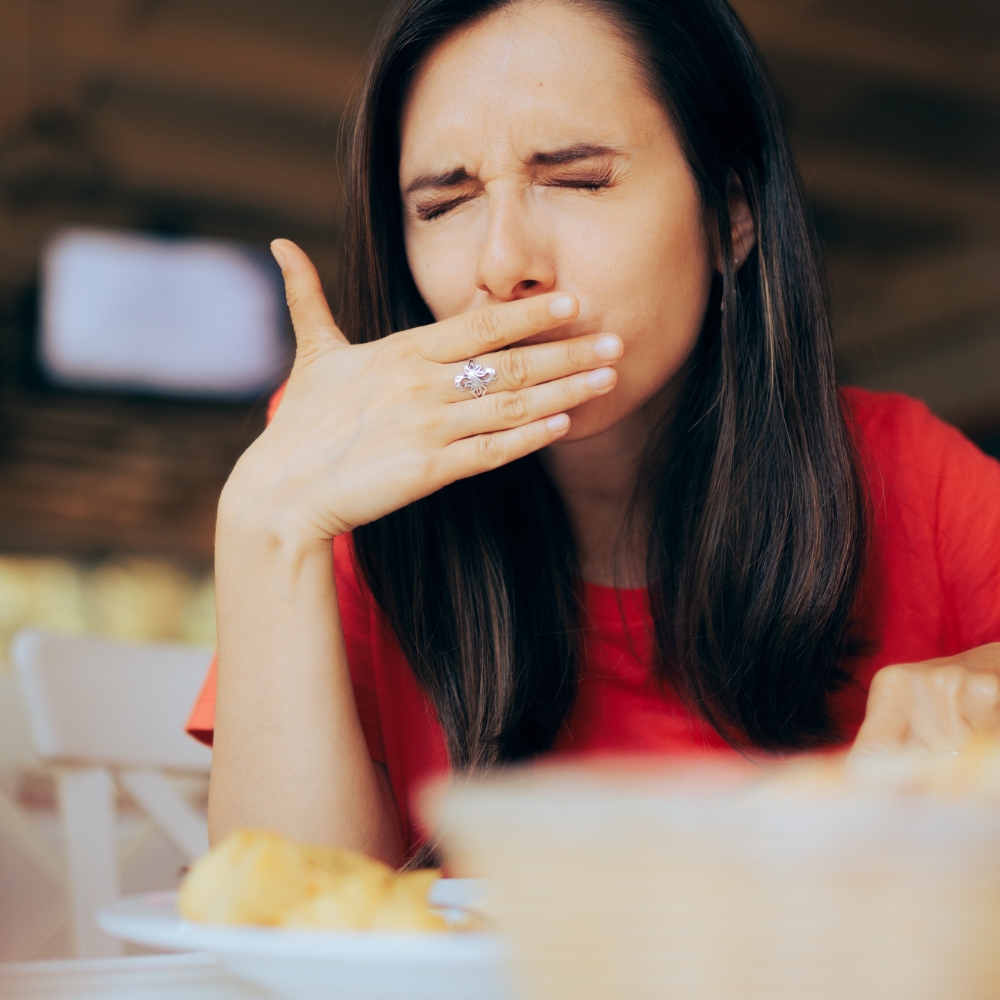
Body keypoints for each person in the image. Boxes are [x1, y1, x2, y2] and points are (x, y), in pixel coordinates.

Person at [187, 0, 1000, 867]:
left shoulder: (907, 474)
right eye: (444, 203)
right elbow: (296, 925)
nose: (503, 265)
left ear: (730, 215)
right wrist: (267, 525)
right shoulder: (344, 484)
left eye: (577, 180)